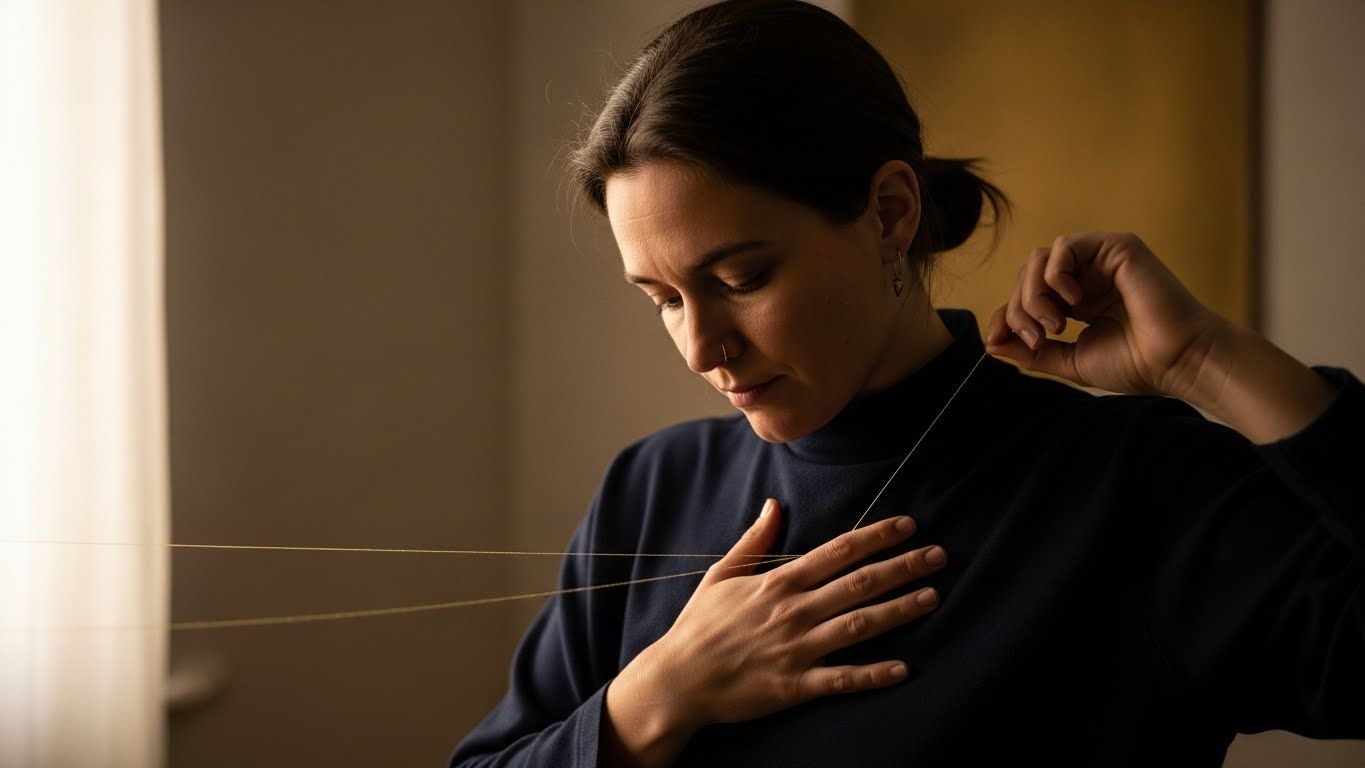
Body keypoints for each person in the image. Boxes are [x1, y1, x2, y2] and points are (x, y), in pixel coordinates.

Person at [449, 1, 1363, 765]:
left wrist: (1209, 360)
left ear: (889, 213)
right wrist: (653, 699)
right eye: (661, 298)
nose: (700, 349)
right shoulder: (653, 489)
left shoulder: (1133, 488)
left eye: (740, 281)